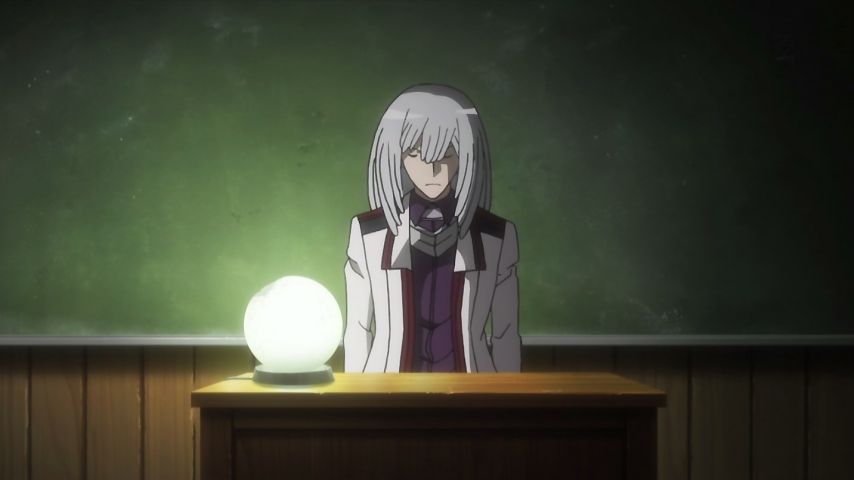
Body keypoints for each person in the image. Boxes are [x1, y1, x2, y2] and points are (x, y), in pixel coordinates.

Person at [343, 84, 520, 373]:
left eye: (447, 154)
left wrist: (509, 396)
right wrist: (358, 396)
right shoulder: (369, 234)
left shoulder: (495, 236)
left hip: (473, 391)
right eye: (416, 153)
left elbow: (506, 335)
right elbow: (358, 329)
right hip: (388, 390)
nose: (433, 169)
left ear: (466, 157)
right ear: (397, 156)